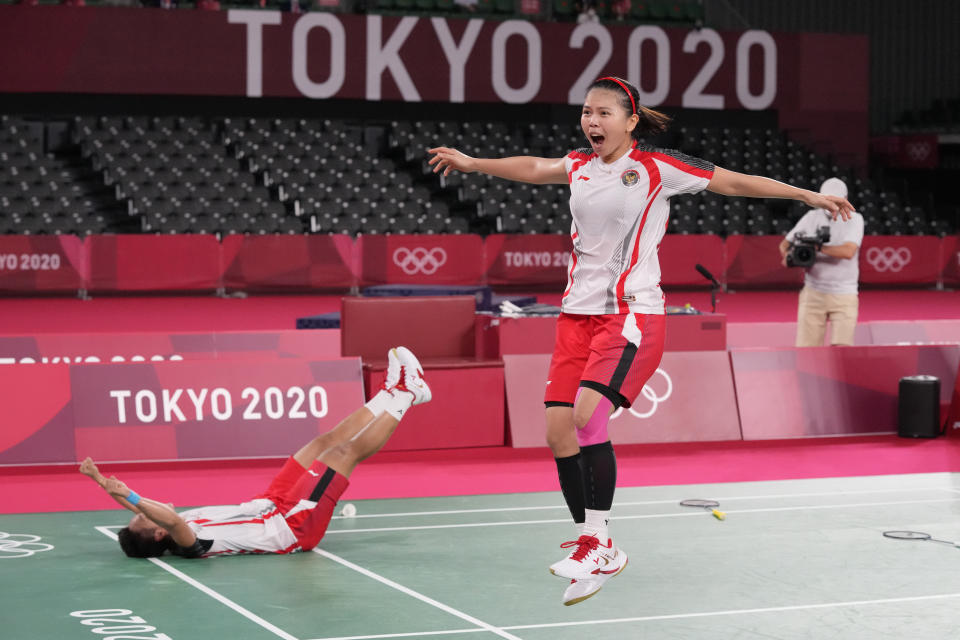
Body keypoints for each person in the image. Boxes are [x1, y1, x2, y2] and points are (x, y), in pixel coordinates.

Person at [428, 76, 854, 606]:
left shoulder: (658, 168)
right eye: (586, 112)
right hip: (574, 317)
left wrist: (803, 195)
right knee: (558, 431)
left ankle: (599, 542)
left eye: (604, 113)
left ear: (630, 121)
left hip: (631, 315)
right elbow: (534, 168)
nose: (592, 122)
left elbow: (734, 182)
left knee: (586, 417)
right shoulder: (581, 166)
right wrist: (473, 164)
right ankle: (595, 545)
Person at [79, 347, 430, 559]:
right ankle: (409, 394)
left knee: (321, 442)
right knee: (344, 454)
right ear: (158, 533)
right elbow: (165, 517)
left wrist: (99, 482)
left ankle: (389, 391)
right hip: (291, 526)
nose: (142, 509)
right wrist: (133, 495)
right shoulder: (189, 542)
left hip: (269, 502)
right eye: (143, 516)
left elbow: (141, 509)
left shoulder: (166, 525)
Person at [779, 177, 865, 347]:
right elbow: (784, 245)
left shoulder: (855, 219)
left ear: (845, 198)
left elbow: (848, 251)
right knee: (806, 351)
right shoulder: (811, 217)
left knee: (842, 351)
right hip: (813, 293)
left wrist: (817, 248)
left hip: (844, 294)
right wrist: (791, 256)